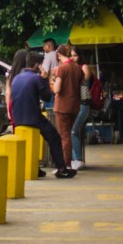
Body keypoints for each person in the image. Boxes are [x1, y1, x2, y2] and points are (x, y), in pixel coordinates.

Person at [8, 50, 70, 177]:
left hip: (18, 117)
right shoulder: (36, 78)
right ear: (36, 65)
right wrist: (45, 78)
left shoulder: (16, 78)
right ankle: (61, 169)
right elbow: (47, 97)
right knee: (54, 138)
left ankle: (34, 168)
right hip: (33, 118)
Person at [50, 42, 85, 173]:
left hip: (62, 106)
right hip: (74, 106)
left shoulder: (61, 69)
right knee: (68, 134)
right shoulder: (77, 68)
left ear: (58, 54)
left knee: (64, 136)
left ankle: (64, 165)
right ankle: (67, 163)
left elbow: (57, 89)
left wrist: (52, 83)